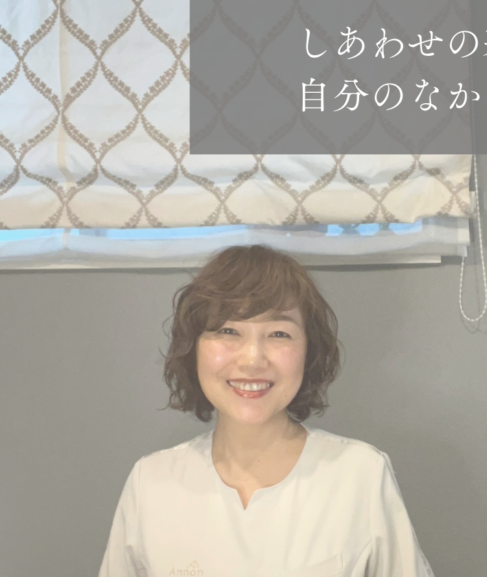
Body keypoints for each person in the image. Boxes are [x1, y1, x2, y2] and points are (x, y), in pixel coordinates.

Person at [98, 244, 435, 577]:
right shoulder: (151, 483)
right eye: (228, 330)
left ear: (309, 351)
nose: (252, 359)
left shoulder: (360, 475)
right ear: (193, 348)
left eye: (278, 333)